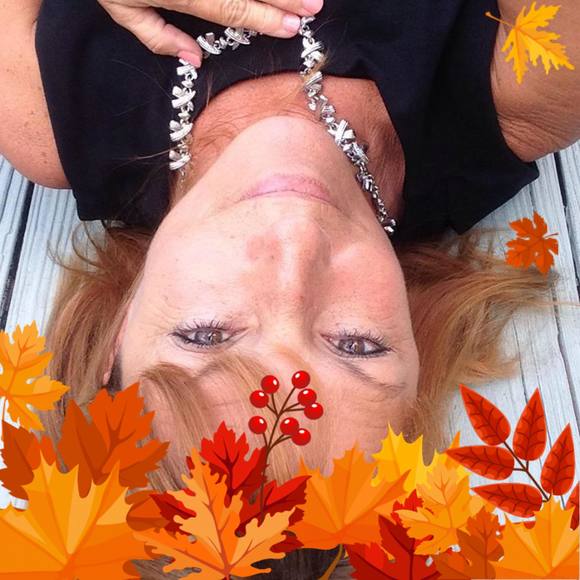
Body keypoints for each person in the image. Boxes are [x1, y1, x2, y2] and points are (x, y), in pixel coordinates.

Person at [1, 0, 578, 577]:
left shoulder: (44, 116)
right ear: (414, 342)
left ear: (120, 331)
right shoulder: (520, 94)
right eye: (356, 344)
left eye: (206, 334)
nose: (296, 241)